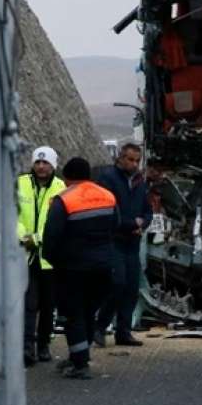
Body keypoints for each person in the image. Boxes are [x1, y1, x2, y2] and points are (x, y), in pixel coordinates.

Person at [42, 157, 118, 379]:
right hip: (104, 267)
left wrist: (54, 261)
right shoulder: (107, 196)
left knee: (73, 314)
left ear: (67, 178)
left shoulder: (63, 199)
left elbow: (51, 237)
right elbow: (115, 228)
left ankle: (80, 365)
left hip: (72, 269)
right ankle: (79, 356)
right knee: (87, 311)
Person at [94, 143, 153, 348]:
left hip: (133, 242)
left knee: (131, 288)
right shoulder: (108, 178)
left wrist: (143, 223)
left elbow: (147, 210)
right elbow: (109, 209)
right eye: (130, 159)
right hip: (115, 240)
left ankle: (123, 331)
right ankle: (100, 327)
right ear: (121, 158)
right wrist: (131, 224)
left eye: (137, 160)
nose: (134, 164)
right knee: (116, 284)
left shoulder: (139, 182)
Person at [17, 146, 66, 366]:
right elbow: (11, 213)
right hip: (26, 255)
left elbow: (57, 222)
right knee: (29, 304)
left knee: (48, 305)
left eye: (46, 163)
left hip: (49, 256)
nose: (41, 166)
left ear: (53, 165)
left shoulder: (60, 187)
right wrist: (23, 236)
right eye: (38, 162)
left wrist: (38, 238)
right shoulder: (21, 183)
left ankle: (43, 345)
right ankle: (27, 348)